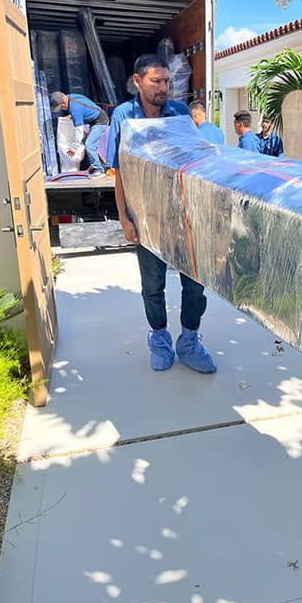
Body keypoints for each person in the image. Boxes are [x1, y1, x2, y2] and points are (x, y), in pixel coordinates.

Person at [110, 53, 216, 374]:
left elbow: (195, 163)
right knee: (153, 284)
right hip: (145, 216)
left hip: (183, 213)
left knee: (195, 282)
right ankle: (159, 339)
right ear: (137, 81)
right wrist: (124, 218)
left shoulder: (180, 113)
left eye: (167, 82)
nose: (164, 88)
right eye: (156, 81)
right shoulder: (124, 116)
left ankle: (189, 341)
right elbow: (120, 171)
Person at [50, 91, 109, 176]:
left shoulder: (75, 109)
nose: (62, 109)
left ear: (63, 102)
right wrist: (73, 116)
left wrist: (74, 148)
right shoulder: (70, 97)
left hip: (100, 121)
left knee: (89, 145)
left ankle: (99, 170)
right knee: (90, 144)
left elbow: (79, 132)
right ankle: (96, 166)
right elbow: (85, 105)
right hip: (96, 118)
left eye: (61, 108)